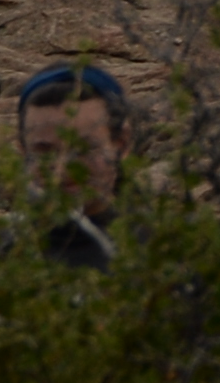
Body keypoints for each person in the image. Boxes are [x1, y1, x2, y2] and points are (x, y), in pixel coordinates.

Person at [13, 58, 134, 269]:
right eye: (45, 152)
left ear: (121, 145)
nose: (63, 169)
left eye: (83, 149)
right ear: (22, 150)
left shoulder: (164, 250)